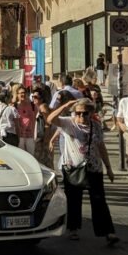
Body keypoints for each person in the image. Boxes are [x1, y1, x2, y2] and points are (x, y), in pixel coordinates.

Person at [47, 98, 118, 245]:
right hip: (73, 168)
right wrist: (66, 105)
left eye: (84, 113)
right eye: (77, 113)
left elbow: (101, 147)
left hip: (94, 167)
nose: (80, 117)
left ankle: (108, 232)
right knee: (74, 199)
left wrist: (109, 168)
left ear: (91, 113)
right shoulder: (68, 123)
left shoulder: (96, 126)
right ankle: (73, 229)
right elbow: (50, 118)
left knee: (99, 200)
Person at [32, 88, 54, 168]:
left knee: (44, 161)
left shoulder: (43, 107)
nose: (33, 99)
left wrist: (46, 139)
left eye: (36, 97)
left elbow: (48, 123)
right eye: (33, 97)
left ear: (42, 98)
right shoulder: (39, 108)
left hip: (43, 139)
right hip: (40, 139)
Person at [14, 86, 37, 155]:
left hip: (30, 136)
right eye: (20, 93)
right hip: (19, 136)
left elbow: (36, 119)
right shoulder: (14, 106)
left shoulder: (32, 105)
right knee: (21, 157)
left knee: (31, 157)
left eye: (24, 93)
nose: (22, 94)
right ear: (17, 95)